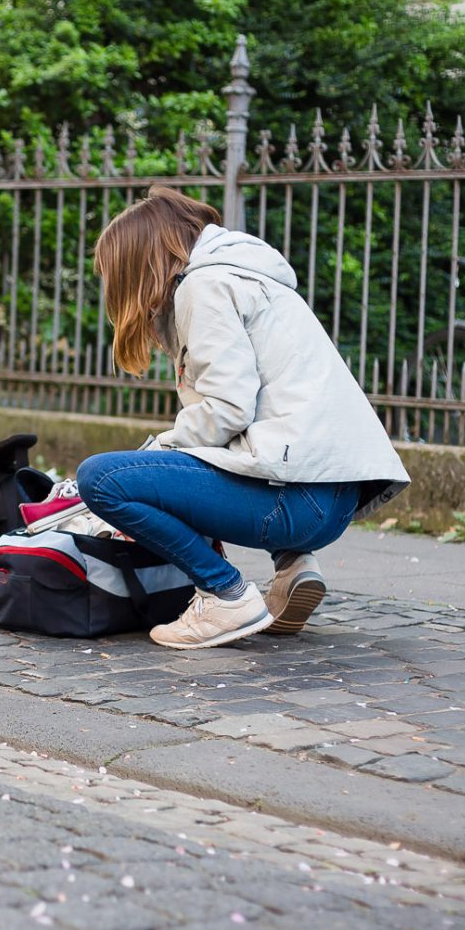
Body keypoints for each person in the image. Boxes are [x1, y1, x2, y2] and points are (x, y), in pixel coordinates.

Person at [76, 186, 409, 649]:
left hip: (297, 503)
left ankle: (225, 595)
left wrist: (161, 449)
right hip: (335, 498)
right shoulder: (252, 279)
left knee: (103, 478)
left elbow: (229, 408)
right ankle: (294, 565)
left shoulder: (203, 286)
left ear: (141, 262)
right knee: (194, 463)